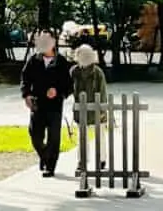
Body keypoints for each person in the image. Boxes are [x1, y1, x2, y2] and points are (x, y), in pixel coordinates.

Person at [20, 30, 73, 177]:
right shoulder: (33, 60)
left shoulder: (62, 62)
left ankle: (50, 166)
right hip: (37, 104)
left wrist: (58, 92)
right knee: (35, 134)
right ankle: (44, 155)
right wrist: (26, 95)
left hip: (55, 105)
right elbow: (25, 79)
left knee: (53, 137)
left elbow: (69, 85)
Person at [70, 44, 108, 175]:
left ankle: (102, 159)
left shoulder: (98, 73)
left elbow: (103, 92)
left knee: (100, 135)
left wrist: (102, 110)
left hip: (96, 108)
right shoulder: (74, 71)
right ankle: (82, 161)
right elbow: (70, 88)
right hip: (81, 109)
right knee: (82, 137)